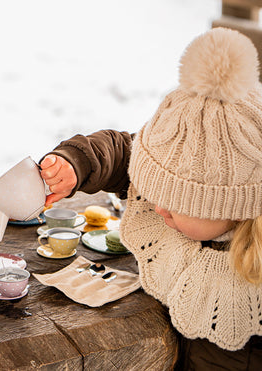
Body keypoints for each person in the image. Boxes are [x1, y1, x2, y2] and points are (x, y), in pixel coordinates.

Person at [39, 27, 262, 370]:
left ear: (233, 208)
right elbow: (124, 153)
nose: (157, 207)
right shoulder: (172, 181)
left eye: (176, 203)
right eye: (153, 189)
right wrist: (78, 163)